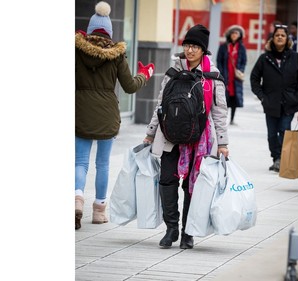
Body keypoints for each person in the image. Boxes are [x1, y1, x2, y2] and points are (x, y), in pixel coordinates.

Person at [143, 24, 229, 249]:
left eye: (195, 46)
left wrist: (223, 143)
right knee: (167, 180)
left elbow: (219, 112)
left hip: (198, 139)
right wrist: (150, 134)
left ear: (203, 50)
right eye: (187, 45)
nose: (190, 50)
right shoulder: (173, 72)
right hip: (170, 135)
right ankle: (171, 228)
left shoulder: (213, 77)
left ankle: (187, 231)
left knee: (191, 186)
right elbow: (160, 105)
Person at [75, 1, 155, 230]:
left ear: (90, 30)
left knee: (80, 162)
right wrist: (145, 73)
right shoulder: (116, 54)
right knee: (102, 163)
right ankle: (99, 211)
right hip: (107, 114)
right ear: (110, 32)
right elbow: (130, 86)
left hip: (80, 110)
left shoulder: (76, 50)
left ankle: (76, 199)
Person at [250, 24, 298, 172]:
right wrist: (262, 97)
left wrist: (297, 100)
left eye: (283, 35)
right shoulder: (264, 58)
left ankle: (283, 160)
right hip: (270, 103)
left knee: (284, 131)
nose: (279, 37)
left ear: (287, 39)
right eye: (277, 35)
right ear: (272, 38)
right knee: (272, 134)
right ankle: (276, 158)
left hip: (289, 104)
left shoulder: (296, 58)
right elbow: (254, 79)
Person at [216, 25, 247, 125]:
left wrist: (240, 70)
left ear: (239, 35)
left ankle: (232, 119)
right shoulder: (223, 46)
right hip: (226, 74)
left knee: (235, 99)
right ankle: (223, 118)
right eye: (233, 33)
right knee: (224, 98)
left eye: (237, 33)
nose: (234, 35)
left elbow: (243, 61)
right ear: (230, 35)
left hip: (235, 77)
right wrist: (221, 72)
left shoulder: (241, 47)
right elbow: (219, 60)